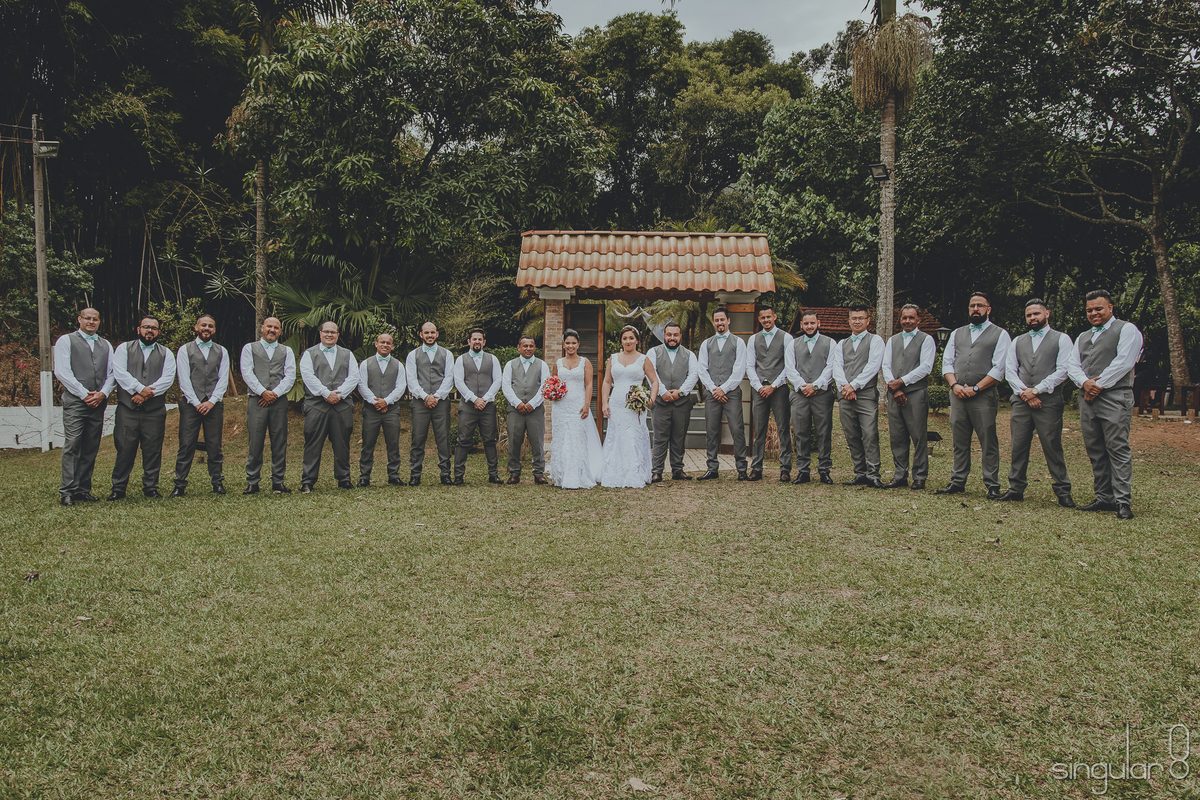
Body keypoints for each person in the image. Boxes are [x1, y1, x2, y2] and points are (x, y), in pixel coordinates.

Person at [1067, 289, 1143, 519]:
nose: (1094, 313)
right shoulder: (1082, 336)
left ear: (1110, 307)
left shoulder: (1127, 330)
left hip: (1115, 396)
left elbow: (1124, 362)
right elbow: (1072, 365)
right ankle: (1104, 497)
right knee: (1096, 449)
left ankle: (1122, 501)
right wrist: (1084, 383)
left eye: (1098, 309)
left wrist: (1097, 386)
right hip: (1087, 398)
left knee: (1117, 448)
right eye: (1089, 310)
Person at [1001, 298, 1075, 507]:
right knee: (1018, 445)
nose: (1033, 318)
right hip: (1021, 401)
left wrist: (1037, 391)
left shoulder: (1062, 339)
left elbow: (1063, 370)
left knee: (1052, 445)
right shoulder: (1018, 341)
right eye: (1029, 315)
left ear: (1047, 314)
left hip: (1049, 401)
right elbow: (1010, 371)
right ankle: (1015, 488)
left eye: (1036, 314)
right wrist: (1025, 393)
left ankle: (1063, 491)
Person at [938, 292, 1012, 499]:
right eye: (972, 305)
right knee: (959, 440)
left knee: (988, 440)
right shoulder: (957, 333)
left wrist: (976, 388)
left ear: (988, 309)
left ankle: (992, 483)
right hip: (958, 395)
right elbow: (947, 363)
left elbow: (999, 368)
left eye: (980, 305)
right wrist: (954, 386)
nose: (975, 309)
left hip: (983, 396)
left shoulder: (1000, 334)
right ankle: (958, 480)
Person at [109, 315, 176, 501]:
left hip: (153, 411)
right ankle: (118, 488)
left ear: (159, 332)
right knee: (124, 448)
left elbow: (167, 379)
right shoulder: (124, 348)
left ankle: (150, 487)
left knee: (153, 450)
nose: (150, 331)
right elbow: (120, 373)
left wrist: (145, 394)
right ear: (139, 329)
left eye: (154, 328)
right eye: (146, 327)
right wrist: (139, 389)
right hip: (127, 409)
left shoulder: (166, 353)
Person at [54, 308, 116, 505]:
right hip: (76, 401)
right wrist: (84, 394)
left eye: (95, 319)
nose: (91, 322)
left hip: (98, 402)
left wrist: (103, 393)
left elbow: (112, 373)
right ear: (79, 320)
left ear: (99, 322)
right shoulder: (66, 340)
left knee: (91, 445)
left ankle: (83, 489)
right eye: (87, 318)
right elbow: (62, 372)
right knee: (73, 444)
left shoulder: (106, 344)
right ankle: (67, 490)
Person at [172, 314, 230, 497]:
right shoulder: (184, 350)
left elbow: (223, 379)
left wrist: (211, 401)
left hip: (214, 404)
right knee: (186, 444)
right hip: (191, 404)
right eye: (203, 325)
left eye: (210, 326)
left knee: (215, 445)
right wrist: (197, 403)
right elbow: (184, 378)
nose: (207, 328)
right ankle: (179, 484)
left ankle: (217, 483)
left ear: (214, 329)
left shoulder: (222, 351)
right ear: (196, 327)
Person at [299, 320, 359, 492]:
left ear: (337, 335)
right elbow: (308, 376)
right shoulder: (309, 354)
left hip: (341, 405)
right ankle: (308, 481)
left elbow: (354, 376)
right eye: (326, 331)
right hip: (316, 405)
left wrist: (338, 394)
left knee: (342, 443)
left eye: (333, 332)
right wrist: (326, 393)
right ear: (320, 334)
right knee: (313, 443)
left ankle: (344, 478)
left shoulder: (347, 354)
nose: (329, 334)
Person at [881, 304, 936, 490]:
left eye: (911, 318)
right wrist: (894, 388)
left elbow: (926, 367)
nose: (907, 321)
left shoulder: (926, 340)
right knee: (896, 436)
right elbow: (886, 365)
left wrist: (901, 382)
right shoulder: (892, 340)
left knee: (918, 436)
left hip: (916, 394)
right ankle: (900, 475)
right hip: (894, 394)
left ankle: (919, 476)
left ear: (918, 320)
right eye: (904, 318)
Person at [241, 316, 296, 494]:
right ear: (262, 328)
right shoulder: (249, 348)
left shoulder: (286, 350)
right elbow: (247, 373)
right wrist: (263, 392)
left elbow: (290, 376)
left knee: (279, 441)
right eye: (269, 327)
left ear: (280, 331)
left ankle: (278, 481)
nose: (272, 330)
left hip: (279, 401)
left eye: (276, 328)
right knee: (255, 442)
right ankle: (252, 481)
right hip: (256, 400)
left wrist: (275, 394)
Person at [599, 325, 659, 488]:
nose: (628, 341)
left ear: (637, 341)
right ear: (621, 341)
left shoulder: (643, 359)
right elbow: (607, 381)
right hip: (617, 402)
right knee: (616, 435)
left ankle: (635, 472)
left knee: (633, 435)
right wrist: (605, 402)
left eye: (631, 338)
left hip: (635, 404)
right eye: (625, 338)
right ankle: (614, 473)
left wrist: (651, 398)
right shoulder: (613, 358)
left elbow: (654, 381)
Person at [833, 305, 885, 488]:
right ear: (849, 321)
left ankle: (873, 473)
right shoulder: (841, 344)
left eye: (860, 318)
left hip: (865, 394)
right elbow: (837, 367)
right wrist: (845, 387)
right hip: (845, 395)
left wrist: (854, 385)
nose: (857, 321)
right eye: (854, 318)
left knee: (870, 433)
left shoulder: (876, 341)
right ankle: (860, 472)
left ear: (868, 321)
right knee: (851, 434)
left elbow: (873, 366)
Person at [784, 309, 835, 485]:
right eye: (806, 323)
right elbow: (790, 368)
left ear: (818, 323)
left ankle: (824, 470)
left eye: (812, 323)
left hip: (822, 394)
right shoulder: (793, 344)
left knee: (824, 432)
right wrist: (802, 385)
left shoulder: (830, 343)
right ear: (801, 325)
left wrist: (816, 385)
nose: (809, 326)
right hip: (799, 394)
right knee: (801, 433)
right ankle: (803, 471)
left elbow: (831, 367)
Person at [696, 307, 748, 481]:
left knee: (737, 429)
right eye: (716, 320)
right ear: (713, 322)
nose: (719, 323)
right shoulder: (706, 344)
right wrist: (714, 389)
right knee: (711, 431)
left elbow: (739, 369)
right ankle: (712, 468)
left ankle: (741, 469)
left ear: (728, 321)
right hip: (712, 393)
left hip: (731, 392)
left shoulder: (738, 342)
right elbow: (702, 369)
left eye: (722, 320)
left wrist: (723, 389)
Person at [547, 329, 603, 488]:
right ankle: (561, 475)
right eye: (567, 343)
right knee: (562, 438)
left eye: (573, 343)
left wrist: (587, 405)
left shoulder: (585, 362)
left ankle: (577, 475)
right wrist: (552, 394)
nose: (570, 346)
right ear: (563, 344)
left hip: (578, 405)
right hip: (561, 406)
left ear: (578, 344)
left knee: (576, 439)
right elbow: (554, 383)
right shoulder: (557, 363)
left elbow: (589, 384)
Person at [746, 305, 793, 481]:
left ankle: (785, 468)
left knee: (783, 428)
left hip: (779, 388)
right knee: (759, 429)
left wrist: (773, 385)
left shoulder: (786, 338)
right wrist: (759, 387)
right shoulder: (753, 340)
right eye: (763, 318)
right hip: (759, 388)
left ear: (775, 316)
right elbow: (750, 365)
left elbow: (789, 365)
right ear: (759, 319)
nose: (766, 320)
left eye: (768, 317)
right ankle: (756, 468)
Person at [647, 321, 698, 483]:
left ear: (680, 336)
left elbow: (693, 375)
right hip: (661, 403)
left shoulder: (689, 354)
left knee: (679, 437)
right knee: (659, 438)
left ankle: (678, 469)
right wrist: (662, 392)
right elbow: (651, 374)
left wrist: (680, 392)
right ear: (664, 335)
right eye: (669, 334)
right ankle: (657, 471)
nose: (672, 338)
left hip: (681, 402)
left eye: (675, 335)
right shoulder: (653, 352)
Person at [452, 328, 504, 485]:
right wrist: (474, 399)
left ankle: (493, 474)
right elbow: (459, 382)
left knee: (489, 440)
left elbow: (497, 380)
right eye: (474, 339)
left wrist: (485, 399)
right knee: (463, 440)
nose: (477, 342)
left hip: (487, 407)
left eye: (480, 339)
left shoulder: (492, 359)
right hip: (468, 406)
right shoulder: (461, 360)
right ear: (469, 341)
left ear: (484, 342)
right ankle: (459, 475)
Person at [405, 321, 454, 486]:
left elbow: (449, 378)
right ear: (421, 334)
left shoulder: (447, 354)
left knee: (443, 438)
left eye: (432, 332)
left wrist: (437, 396)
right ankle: (415, 474)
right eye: (426, 333)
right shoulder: (413, 355)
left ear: (437, 334)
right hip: (420, 402)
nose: (430, 335)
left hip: (441, 402)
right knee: (418, 438)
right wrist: (426, 396)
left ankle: (445, 474)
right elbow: (411, 380)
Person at [357, 332, 406, 487]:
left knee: (393, 443)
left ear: (392, 346)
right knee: (368, 443)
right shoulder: (365, 364)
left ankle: (394, 475)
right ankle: (364, 476)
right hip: (371, 410)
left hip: (391, 409)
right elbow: (362, 385)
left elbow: (401, 387)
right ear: (376, 344)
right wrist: (375, 402)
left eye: (388, 343)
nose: (385, 345)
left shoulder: (399, 365)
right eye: (382, 342)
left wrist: (386, 401)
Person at [502, 335, 549, 484]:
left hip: (535, 410)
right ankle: (514, 473)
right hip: (515, 410)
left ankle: (538, 473)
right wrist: (518, 404)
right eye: (525, 346)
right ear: (519, 347)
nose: (528, 348)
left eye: (531, 346)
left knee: (537, 442)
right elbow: (506, 386)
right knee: (514, 441)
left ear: (535, 347)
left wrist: (532, 404)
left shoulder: (542, 365)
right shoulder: (510, 364)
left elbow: (544, 387)